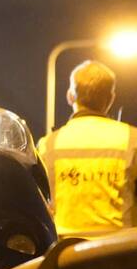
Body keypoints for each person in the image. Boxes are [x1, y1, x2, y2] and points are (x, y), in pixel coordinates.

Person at [37, 60, 137, 238]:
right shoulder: (132, 140)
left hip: (65, 255)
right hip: (120, 253)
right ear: (111, 97)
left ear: (70, 96)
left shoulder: (48, 145)